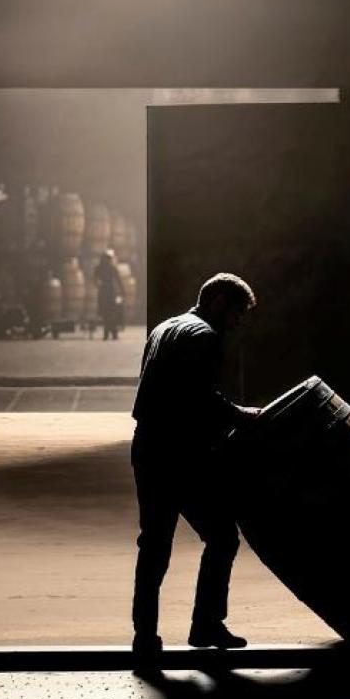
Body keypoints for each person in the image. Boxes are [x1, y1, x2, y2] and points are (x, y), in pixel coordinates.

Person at [129, 272, 262, 659]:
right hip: (179, 452)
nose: (237, 325)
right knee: (222, 537)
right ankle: (205, 624)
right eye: (236, 314)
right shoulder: (204, 336)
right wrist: (241, 417)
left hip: (147, 446)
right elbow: (199, 398)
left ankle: (145, 636)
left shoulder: (164, 328)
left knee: (153, 544)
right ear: (219, 301)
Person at [93, 249, 124, 340]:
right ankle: (113, 333)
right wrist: (122, 291)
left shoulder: (99, 267)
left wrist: (98, 285)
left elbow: (95, 280)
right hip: (110, 291)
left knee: (106, 314)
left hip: (104, 291)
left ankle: (108, 334)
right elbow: (118, 280)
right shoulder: (111, 267)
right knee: (111, 313)